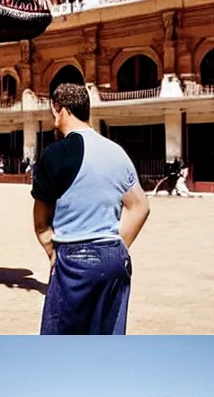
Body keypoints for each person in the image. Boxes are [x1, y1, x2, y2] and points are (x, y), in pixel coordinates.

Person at [32, 81, 150, 334]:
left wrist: (55, 255)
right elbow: (140, 206)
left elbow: (41, 222)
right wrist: (116, 246)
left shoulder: (55, 154)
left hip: (74, 258)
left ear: (59, 109)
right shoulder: (117, 152)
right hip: (114, 259)